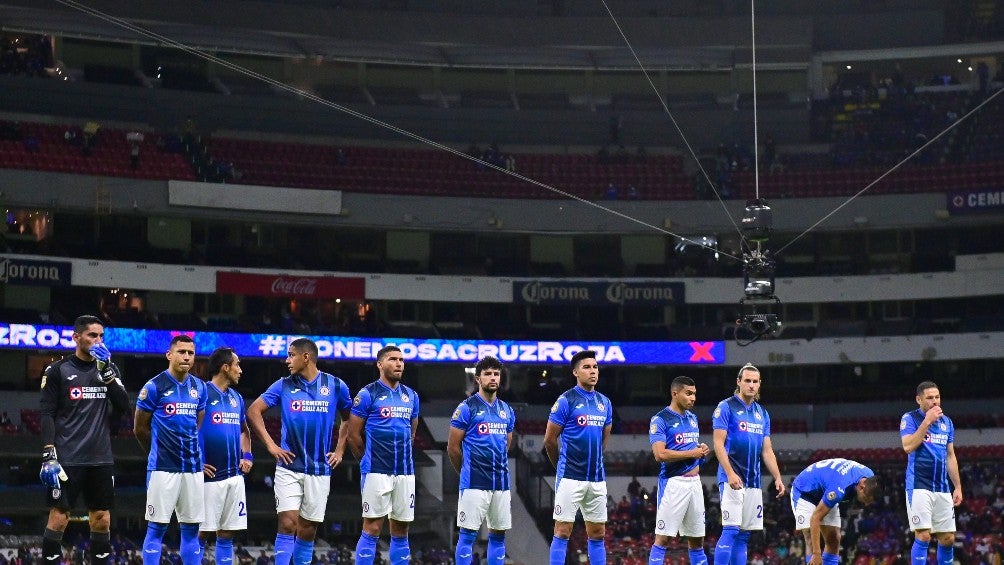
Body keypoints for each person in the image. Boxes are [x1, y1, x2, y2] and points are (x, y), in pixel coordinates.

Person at [247, 338, 353, 565]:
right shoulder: (283, 385)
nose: (287, 360)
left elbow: (348, 419)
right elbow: (254, 411)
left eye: (291, 355)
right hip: (289, 468)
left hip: (319, 469)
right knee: (287, 523)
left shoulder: (335, 385)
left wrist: (340, 450)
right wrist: (271, 446)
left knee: (307, 530)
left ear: (306, 357)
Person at [38, 315, 129, 565]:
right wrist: (48, 451)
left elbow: (123, 406)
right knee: (59, 518)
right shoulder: (57, 370)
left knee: (102, 518)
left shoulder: (109, 369)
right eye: (92, 335)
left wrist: (107, 373)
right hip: (67, 458)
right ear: (76, 337)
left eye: (101, 336)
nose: (98, 340)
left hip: (100, 458)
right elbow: (46, 413)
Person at [134, 335, 208, 565]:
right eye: (181, 352)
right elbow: (139, 429)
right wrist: (156, 451)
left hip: (193, 469)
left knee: (191, 530)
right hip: (162, 469)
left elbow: (197, 424)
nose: (186, 356)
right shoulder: (154, 386)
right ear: (169, 355)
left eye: (191, 353)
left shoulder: (200, 387)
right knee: (156, 528)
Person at [346, 345, 420, 565]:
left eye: (401, 360)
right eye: (392, 359)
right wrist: (366, 461)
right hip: (376, 470)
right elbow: (353, 435)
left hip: (405, 473)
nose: (399, 364)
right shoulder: (368, 394)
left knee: (401, 529)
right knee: (372, 527)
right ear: (380, 364)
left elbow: (412, 432)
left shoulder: (411, 396)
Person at [543, 350, 613, 565]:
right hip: (570, 476)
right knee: (563, 531)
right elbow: (549, 440)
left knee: (598, 532)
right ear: (575, 372)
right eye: (586, 367)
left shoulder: (605, 403)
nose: (592, 371)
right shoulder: (566, 400)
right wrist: (560, 466)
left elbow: (603, 439)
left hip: (596, 478)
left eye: (595, 367)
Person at [713, 363, 786, 565]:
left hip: (753, 481)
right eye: (747, 381)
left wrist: (777, 477)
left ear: (759, 384)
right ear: (739, 382)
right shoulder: (725, 407)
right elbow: (718, 444)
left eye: (755, 381)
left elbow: (767, 450)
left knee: (745, 535)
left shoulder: (762, 413)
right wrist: (729, 473)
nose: (751, 385)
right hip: (732, 478)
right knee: (731, 530)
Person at [447, 356, 516, 565]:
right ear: (478, 378)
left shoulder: (507, 410)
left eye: (496, 374)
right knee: (467, 536)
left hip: (501, 483)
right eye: (487, 374)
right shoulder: (466, 408)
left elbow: (507, 444)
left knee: (498, 536)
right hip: (474, 481)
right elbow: (452, 448)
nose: (493, 378)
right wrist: (466, 471)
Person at [647, 376, 711, 565]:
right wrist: (693, 452)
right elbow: (659, 454)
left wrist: (702, 450)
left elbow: (689, 448)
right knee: (663, 539)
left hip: (695, 483)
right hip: (673, 483)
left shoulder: (692, 418)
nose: (693, 398)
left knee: (697, 541)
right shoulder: (660, 419)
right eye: (688, 393)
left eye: (694, 394)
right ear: (675, 393)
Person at [199, 347, 253, 565]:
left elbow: (244, 431)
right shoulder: (201, 392)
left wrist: (247, 455)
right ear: (225, 367)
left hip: (235, 476)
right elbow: (188, 430)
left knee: (227, 534)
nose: (240, 370)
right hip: (207, 477)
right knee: (201, 533)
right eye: (237, 364)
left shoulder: (236, 398)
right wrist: (196, 462)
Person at [901, 381, 963, 565]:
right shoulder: (910, 418)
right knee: (924, 535)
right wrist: (927, 421)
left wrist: (958, 486)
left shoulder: (947, 422)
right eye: (929, 398)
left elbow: (950, 456)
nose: (935, 402)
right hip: (919, 484)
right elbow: (908, 446)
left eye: (937, 397)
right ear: (919, 399)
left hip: (942, 487)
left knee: (948, 538)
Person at [790, 458, 881, 565]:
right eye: (866, 500)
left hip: (826, 489)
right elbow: (815, 518)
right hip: (805, 491)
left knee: (834, 539)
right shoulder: (838, 489)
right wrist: (817, 553)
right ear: (861, 487)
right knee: (811, 539)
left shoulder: (869, 476)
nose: (866, 504)